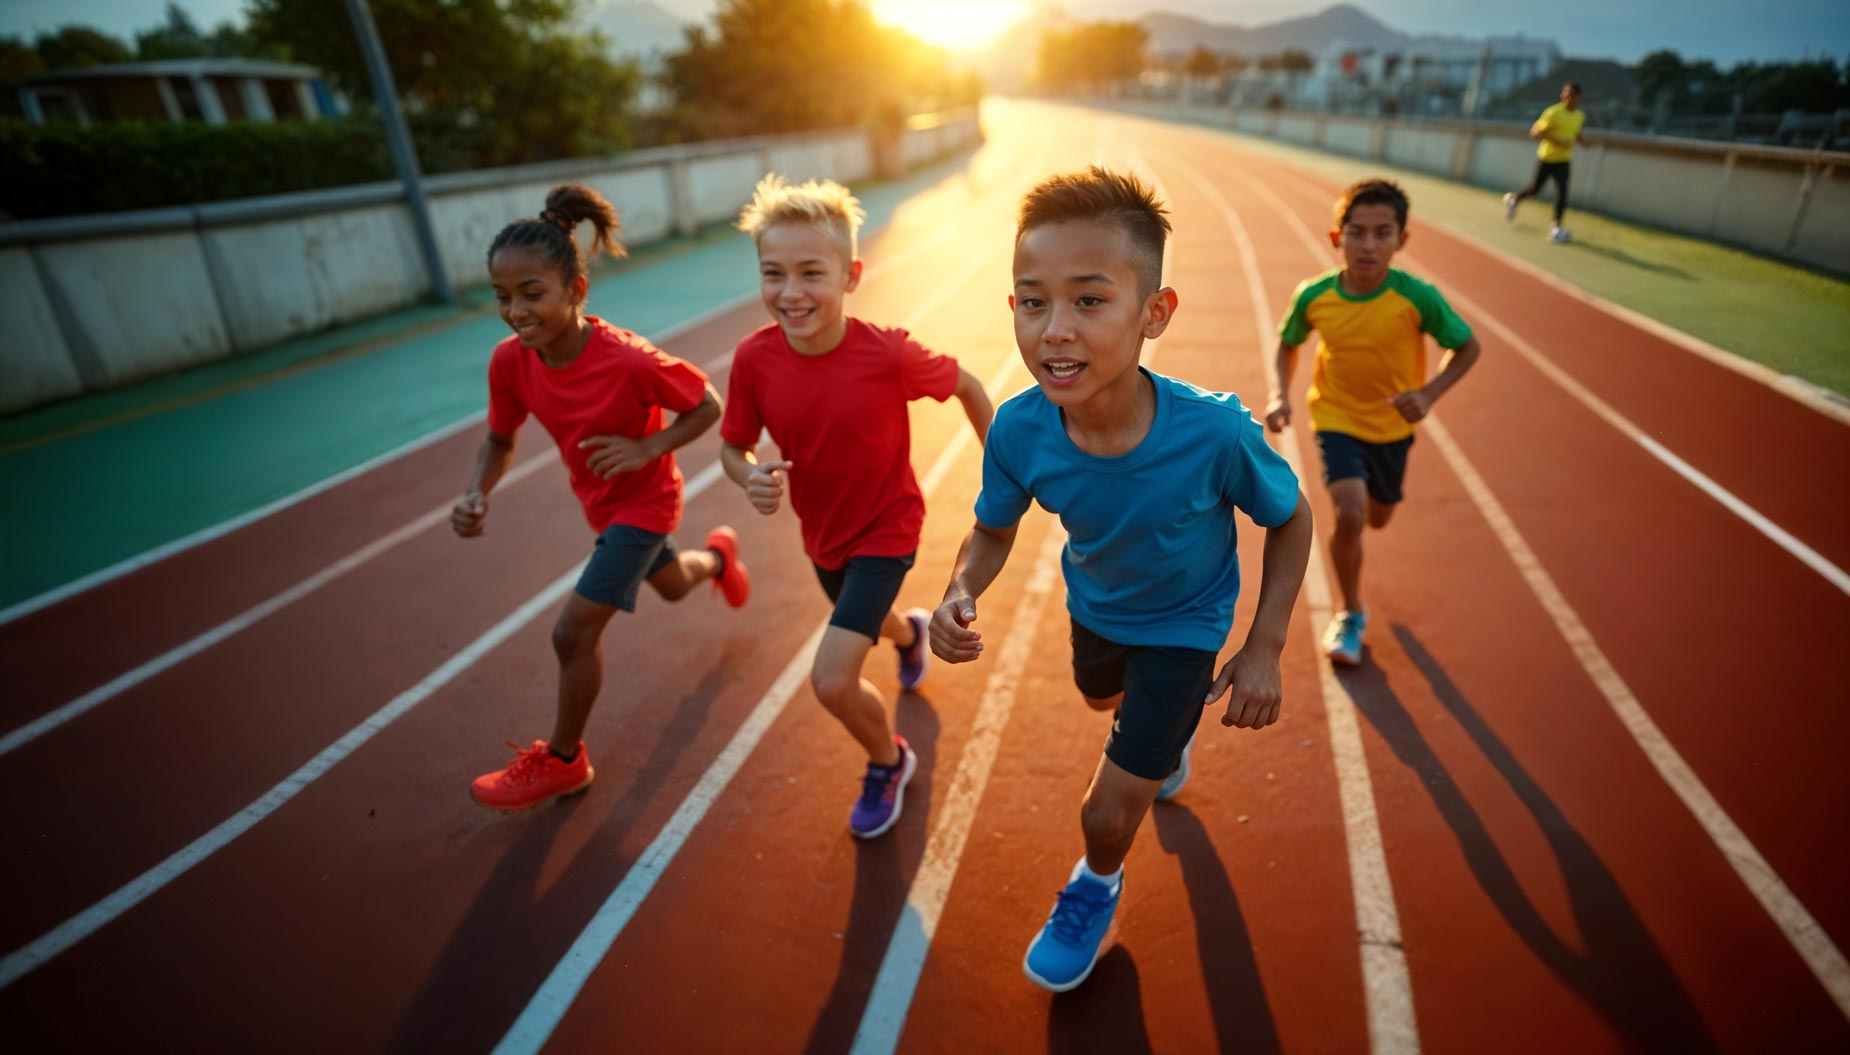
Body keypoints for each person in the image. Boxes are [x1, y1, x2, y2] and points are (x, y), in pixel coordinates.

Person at [931, 166, 1312, 991]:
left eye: (1089, 300)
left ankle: (1095, 885)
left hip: (1186, 626)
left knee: (1106, 812)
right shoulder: (1020, 429)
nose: (1055, 330)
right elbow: (992, 529)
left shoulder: (1214, 433)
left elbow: (1292, 516)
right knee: (1099, 698)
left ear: (1155, 313)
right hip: (1097, 608)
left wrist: (1265, 645)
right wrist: (962, 588)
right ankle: (1159, 741)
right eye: (1034, 302)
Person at [453, 183, 751, 811]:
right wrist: (477, 492)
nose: (515, 311)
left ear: (576, 291)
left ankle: (565, 761)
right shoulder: (510, 363)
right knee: (672, 584)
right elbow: (499, 439)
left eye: (532, 294)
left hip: (647, 504)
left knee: (572, 633)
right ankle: (718, 560)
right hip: (604, 506)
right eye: (502, 297)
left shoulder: (629, 361)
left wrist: (649, 448)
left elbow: (706, 404)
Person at [719, 175, 994, 840]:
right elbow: (733, 446)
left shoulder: (888, 353)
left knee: (834, 681)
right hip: (823, 534)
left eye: (811, 272)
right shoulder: (754, 360)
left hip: (888, 528)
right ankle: (911, 635)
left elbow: (967, 385)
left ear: (851, 276)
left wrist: (1002, 470)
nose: (790, 291)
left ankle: (888, 760)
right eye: (774, 273)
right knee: (873, 619)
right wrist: (749, 476)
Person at [1266, 178, 1481, 666]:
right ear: (1336, 237)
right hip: (1335, 416)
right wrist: (1280, 393)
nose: (1368, 245)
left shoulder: (1417, 297)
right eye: (1357, 232)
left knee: (1377, 517)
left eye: (1382, 233)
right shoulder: (1315, 295)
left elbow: (1467, 346)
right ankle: (1350, 612)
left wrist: (1428, 394)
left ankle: (1366, 526)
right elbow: (1287, 343)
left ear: (1401, 240)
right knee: (1350, 514)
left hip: (1391, 428)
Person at [1504, 81, 1588, 242]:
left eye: (1574, 96)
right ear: (1562, 95)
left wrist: (1584, 142)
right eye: (1568, 95)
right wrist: (1557, 140)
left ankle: (1556, 228)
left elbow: (1575, 132)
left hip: (1564, 160)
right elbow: (1535, 132)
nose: (1570, 99)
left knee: (1562, 192)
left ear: (1579, 98)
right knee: (1535, 189)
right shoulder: (1553, 112)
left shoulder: (1579, 116)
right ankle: (1514, 199)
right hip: (1547, 158)